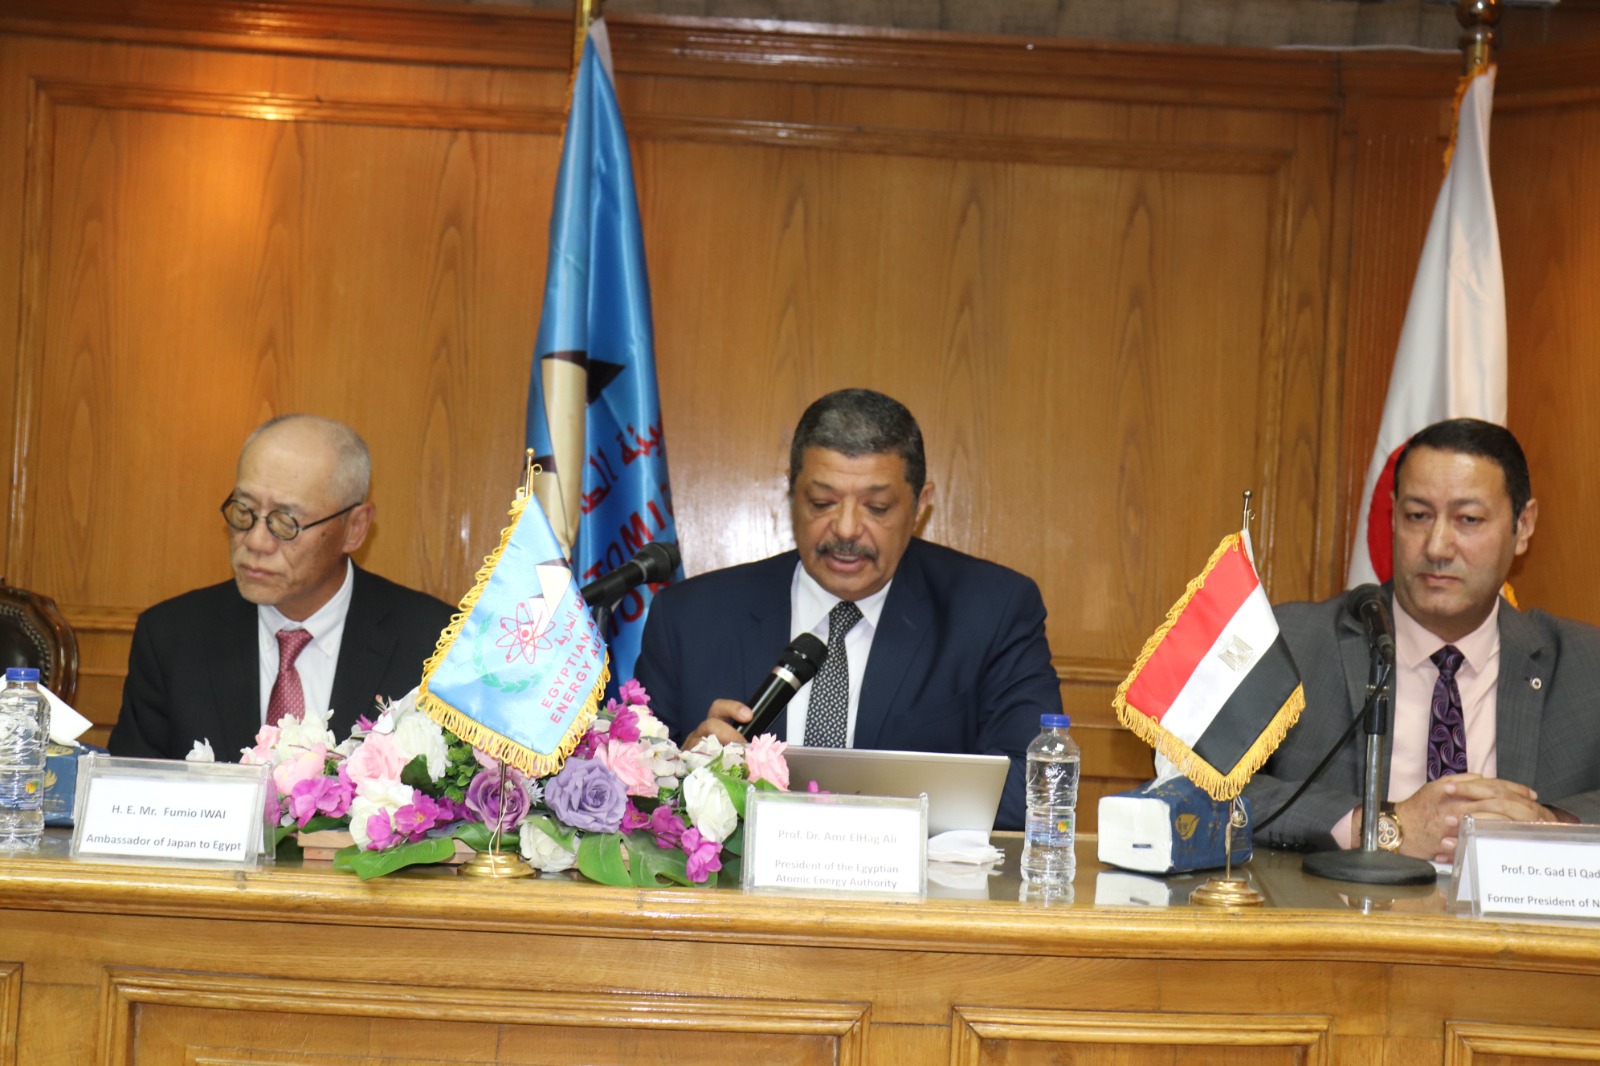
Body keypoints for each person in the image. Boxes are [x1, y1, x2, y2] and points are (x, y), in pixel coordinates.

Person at [633, 389, 1063, 829]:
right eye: (822, 503)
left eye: (877, 507)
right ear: (791, 492)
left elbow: (1037, 790)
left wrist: (850, 816)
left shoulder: (992, 611)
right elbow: (632, 795)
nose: (846, 529)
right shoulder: (690, 617)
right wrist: (684, 774)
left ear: (920, 505)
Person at [1248, 418, 1600, 860]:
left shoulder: (1586, 665)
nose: (1437, 547)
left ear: (1523, 525)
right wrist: (1375, 826)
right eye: (1418, 516)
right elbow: (1195, 789)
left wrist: (1551, 824)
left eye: (1468, 519)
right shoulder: (1292, 644)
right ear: (1393, 515)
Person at [108, 415, 455, 760]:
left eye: (286, 522)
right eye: (244, 511)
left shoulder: (436, 646)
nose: (255, 542)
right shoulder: (171, 639)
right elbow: (130, 784)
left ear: (355, 528)